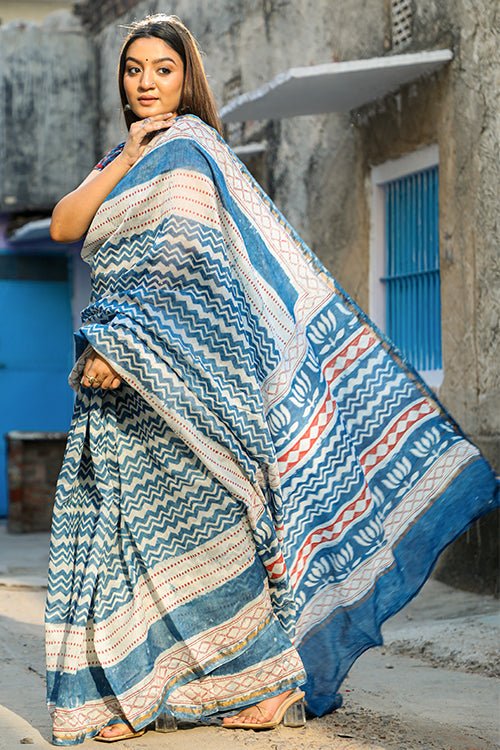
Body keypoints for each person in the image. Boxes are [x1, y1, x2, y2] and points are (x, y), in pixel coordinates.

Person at [45, 12, 499, 747]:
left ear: (186, 76)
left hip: (180, 386)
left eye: (163, 69)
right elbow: (67, 226)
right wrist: (124, 160)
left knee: (214, 544)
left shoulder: (192, 151)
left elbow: (183, 265)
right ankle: (147, 690)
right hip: (129, 394)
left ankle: (273, 685)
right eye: (134, 70)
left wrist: (120, 347)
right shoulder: (126, 155)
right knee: (134, 541)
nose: (146, 83)